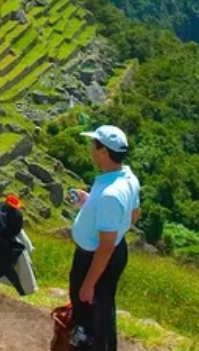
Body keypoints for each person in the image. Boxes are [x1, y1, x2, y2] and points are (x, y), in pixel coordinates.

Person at [68, 125, 141, 351]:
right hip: (115, 251)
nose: (91, 149)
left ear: (103, 152)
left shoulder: (110, 194)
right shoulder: (127, 178)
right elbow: (133, 216)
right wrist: (91, 204)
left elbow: (105, 247)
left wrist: (88, 284)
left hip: (95, 259)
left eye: (94, 145)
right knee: (104, 307)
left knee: (89, 312)